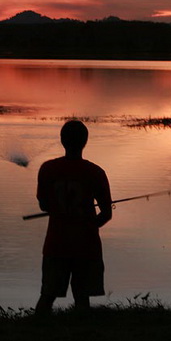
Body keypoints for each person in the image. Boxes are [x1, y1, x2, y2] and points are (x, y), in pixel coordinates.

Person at [35, 119, 112, 314]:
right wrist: (90, 225)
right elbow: (106, 213)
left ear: (61, 140)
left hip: (56, 243)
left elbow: (44, 205)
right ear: (85, 141)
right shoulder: (95, 172)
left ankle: (36, 330)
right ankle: (81, 332)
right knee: (82, 297)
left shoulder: (47, 169)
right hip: (86, 246)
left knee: (47, 295)